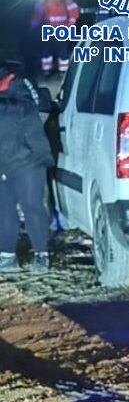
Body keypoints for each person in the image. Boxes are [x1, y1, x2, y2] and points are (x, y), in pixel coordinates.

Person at [0, 61, 54, 273]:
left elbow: (41, 110)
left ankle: (42, 255)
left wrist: (35, 152)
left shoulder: (20, 85)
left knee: (32, 207)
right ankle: (6, 255)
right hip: (4, 161)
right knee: (4, 210)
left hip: (27, 160)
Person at [30, 0, 81, 78]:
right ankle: (47, 71)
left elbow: (74, 10)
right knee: (46, 52)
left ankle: (63, 72)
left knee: (61, 51)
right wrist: (35, 26)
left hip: (61, 30)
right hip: (48, 30)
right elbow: (38, 13)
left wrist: (69, 25)